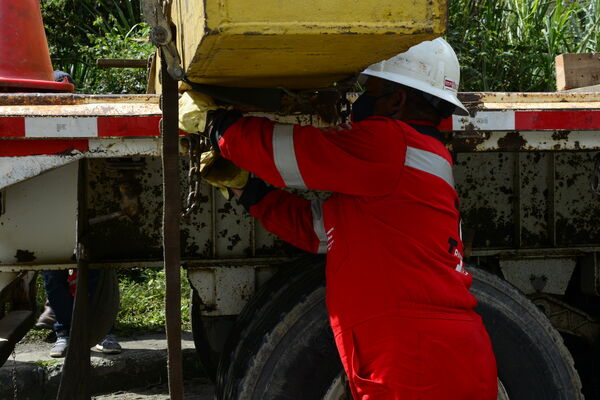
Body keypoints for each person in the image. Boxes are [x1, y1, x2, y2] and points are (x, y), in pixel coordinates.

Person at [204, 37, 497, 399]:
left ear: (397, 99)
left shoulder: (390, 143)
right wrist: (247, 190)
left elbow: (294, 156)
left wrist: (218, 126)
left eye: (369, 91)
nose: (360, 102)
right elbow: (320, 231)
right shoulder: (409, 163)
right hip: (425, 351)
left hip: (415, 357)